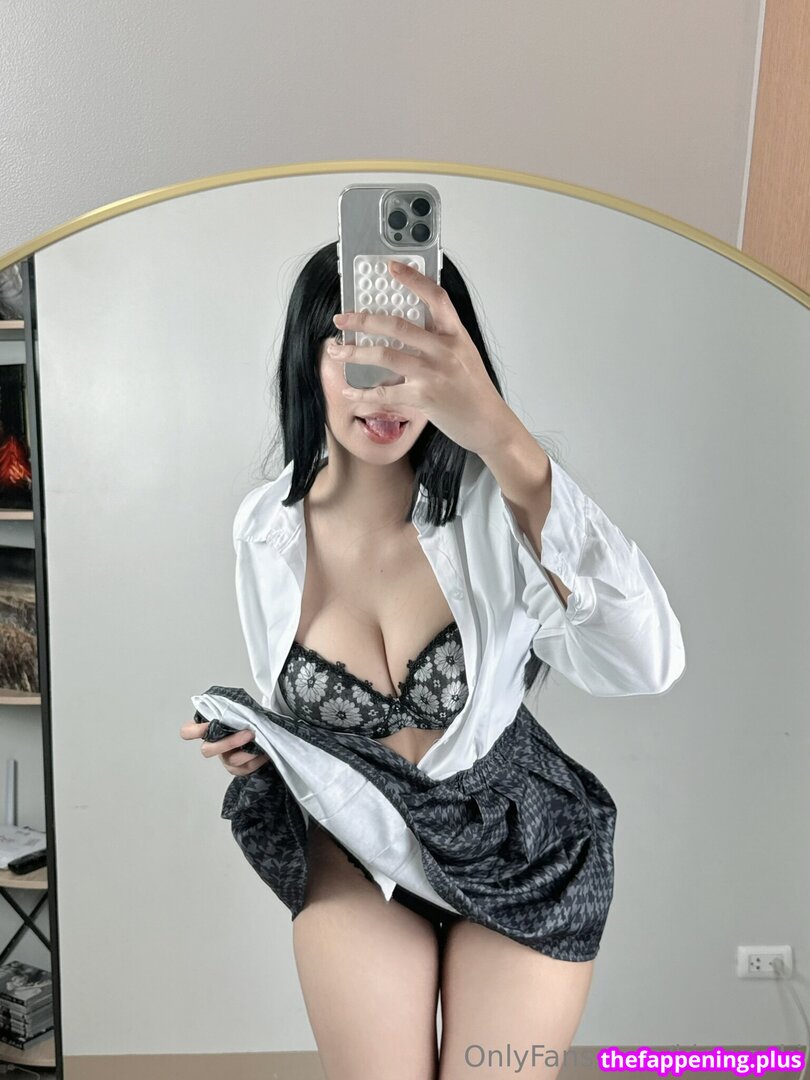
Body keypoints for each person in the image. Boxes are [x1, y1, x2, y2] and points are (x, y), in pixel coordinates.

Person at [180, 243, 685, 1079]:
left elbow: (646, 661)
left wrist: (506, 441)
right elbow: (299, 716)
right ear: (309, 362)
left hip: (521, 850)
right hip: (359, 848)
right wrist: (256, 748)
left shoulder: (504, 505)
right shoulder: (263, 528)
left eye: (414, 351)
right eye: (356, 347)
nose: (386, 387)